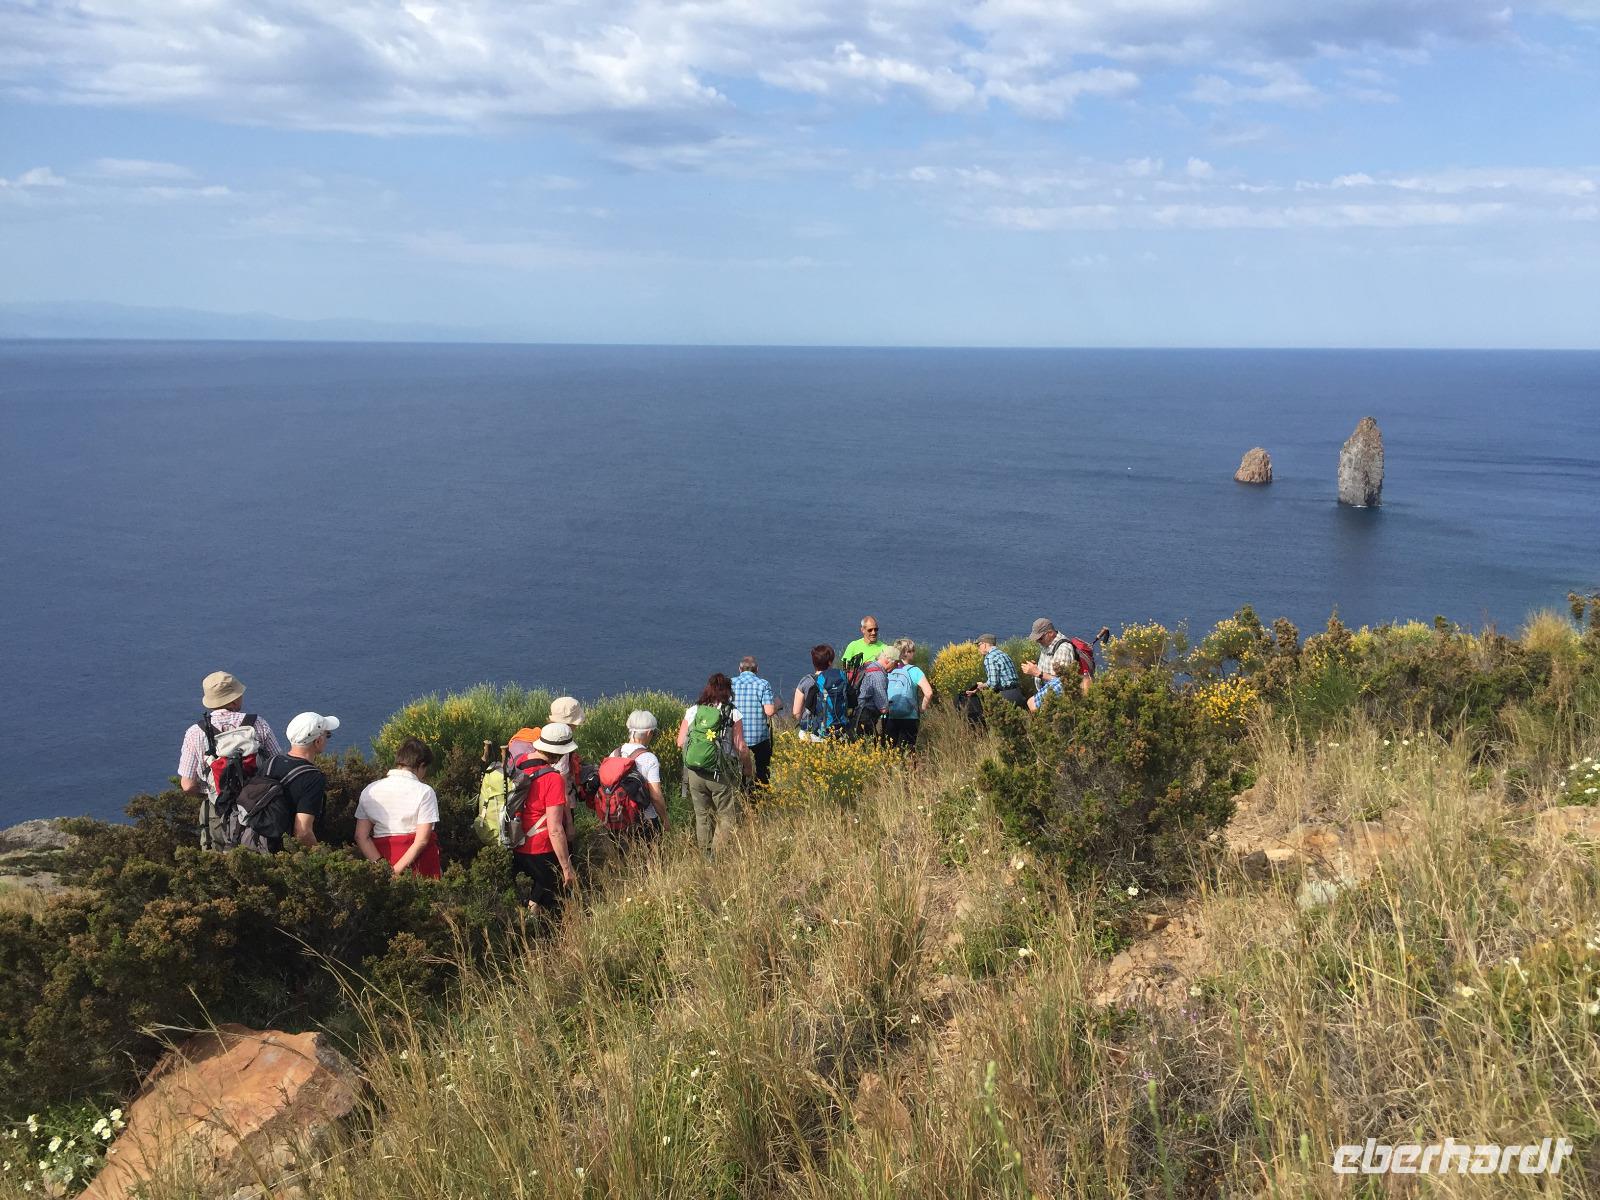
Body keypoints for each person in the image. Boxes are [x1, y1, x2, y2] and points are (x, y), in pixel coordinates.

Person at [177, 670, 282, 849]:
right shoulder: (258, 724)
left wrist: (214, 789)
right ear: (233, 700)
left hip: (218, 811)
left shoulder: (195, 733)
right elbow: (278, 764)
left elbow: (187, 785)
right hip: (259, 808)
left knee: (220, 864)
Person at [238, 711, 338, 854]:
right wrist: (324, 858)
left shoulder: (271, 761)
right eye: (327, 735)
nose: (327, 739)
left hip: (255, 843)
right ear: (318, 741)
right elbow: (303, 832)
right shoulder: (313, 777)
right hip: (282, 854)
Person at [676, 674, 752, 856]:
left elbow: (680, 742)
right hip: (720, 773)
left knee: (702, 816)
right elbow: (740, 747)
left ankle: (706, 856)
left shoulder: (694, 710)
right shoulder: (732, 712)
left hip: (694, 772)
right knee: (726, 816)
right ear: (727, 691)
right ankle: (718, 858)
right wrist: (747, 768)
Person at [508, 722, 579, 910]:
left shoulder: (518, 762)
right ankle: (541, 934)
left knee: (530, 896)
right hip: (541, 848)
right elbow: (555, 830)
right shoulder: (553, 778)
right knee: (549, 900)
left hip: (516, 840)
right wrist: (566, 867)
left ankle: (526, 927)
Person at [354, 738, 442, 879]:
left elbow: (361, 836)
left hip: (383, 857)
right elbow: (422, 840)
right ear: (421, 765)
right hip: (419, 865)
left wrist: (381, 866)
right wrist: (396, 871)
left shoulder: (370, 790)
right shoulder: (425, 791)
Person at [612, 709, 669, 838]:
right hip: (645, 819)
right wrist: (665, 819)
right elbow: (656, 796)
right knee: (652, 856)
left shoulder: (614, 754)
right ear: (649, 733)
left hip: (618, 818)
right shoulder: (649, 758)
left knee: (624, 856)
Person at [730, 656, 778, 787]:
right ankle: (760, 793)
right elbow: (769, 711)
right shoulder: (763, 684)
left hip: (736, 736)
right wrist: (777, 705)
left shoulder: (730, 683)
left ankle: (741, 790)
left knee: (737, 768)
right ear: (757, 669)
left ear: (739, 669)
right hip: (758, 736)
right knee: (763, 769)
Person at [1022, 617, 1084, 708]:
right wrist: (1036, 667)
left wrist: (1037, 672)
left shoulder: (1063, 649)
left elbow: (1062, 682)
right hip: (1047, 692)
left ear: (1050, 633)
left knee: (1031, 704)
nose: (1038, 641)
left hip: (1056, 698)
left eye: (1040, 638)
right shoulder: (1047, 643)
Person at [793, 644, 850, 739]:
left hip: (815, 732)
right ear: (830, 662)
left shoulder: (806, 681)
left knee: (802, 734)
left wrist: (804, 723)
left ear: (814, 662)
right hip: (839, 730)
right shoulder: (841, 678)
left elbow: (796, 712)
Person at [885, 639, 934, 748]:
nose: (914, 653)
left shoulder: (889, 670)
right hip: (910, 717)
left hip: (889, 715)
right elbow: (929, 693)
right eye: (912, 651)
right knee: (907, 751)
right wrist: (922, 708)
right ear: (905, 653)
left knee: (889, 751)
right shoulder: (915, 671)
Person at [851, 647, 896, 741]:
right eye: (896, 662)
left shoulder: (869, 665)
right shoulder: (878, 676)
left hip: (856, 713)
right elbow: (883, 708)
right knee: (869, 747)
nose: (897, 665)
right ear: (888, 660)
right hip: (865, 717)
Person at [973, 634, 1026, 707]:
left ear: (984, 644)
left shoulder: (990, 657)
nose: (978, 648)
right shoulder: (1003, 654)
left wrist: (982, 686)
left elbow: (993, 683)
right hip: (1018, 693)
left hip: (1005, 696)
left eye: (978, 645)